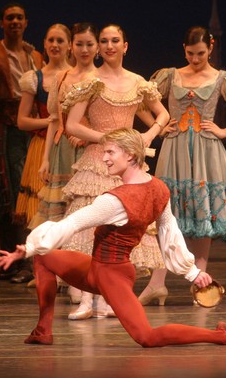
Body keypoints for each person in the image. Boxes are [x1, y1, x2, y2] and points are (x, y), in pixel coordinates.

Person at [0, 128, 226, 348]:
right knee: (44, 258)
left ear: (130, 154)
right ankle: (43, 330)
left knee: (147, 337)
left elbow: (72, 223)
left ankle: (223, 335)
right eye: (104, 153)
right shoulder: (158, 187)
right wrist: (191, 272)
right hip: (98, 268)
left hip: (111, 276)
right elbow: (168, 230)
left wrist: (28, 247)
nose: (105, 159)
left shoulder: (114, 201)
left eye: (110, 152)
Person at [138, 26, 226, 306]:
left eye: (201, 53)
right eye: (191, 53)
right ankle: (157, 284)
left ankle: (200, 283)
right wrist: (157, 127)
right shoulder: (170, 75)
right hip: (174, 148)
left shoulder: (221, 79)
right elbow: (139, 102)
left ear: (212, 47)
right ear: (184, 49)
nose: (195, 59)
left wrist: (225, 131)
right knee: (165, 216)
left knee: (201, 213)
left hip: (206, 151)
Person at [61, 24, 169, 320]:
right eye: (104, 41)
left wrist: (147, 136)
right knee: (88, 228)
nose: (109, 45)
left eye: (115, 41)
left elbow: (163, 114)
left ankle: (110, 298)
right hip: (98, 160)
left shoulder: (138, 82)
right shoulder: (91, 81)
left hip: (129, 164)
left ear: (125, 45)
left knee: (123, 230)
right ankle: (86, 299)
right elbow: (72, 125)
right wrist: (106, 140)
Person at [0, 2, 44, 283]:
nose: (15, 22)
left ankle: (25, 262)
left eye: (19, 17)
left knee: (32, 191)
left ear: (26, 22)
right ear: (2, 23)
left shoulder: (35, 56)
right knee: (12, 192)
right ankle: (16, 262)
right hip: (6, 130)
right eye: (9, 18)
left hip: (33, 128)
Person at [33, 22, 98, 229]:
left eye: (89, 44)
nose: (84, 50)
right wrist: (45, 159)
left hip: (88, 150)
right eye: (79, 44)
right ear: (71, 45)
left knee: (83, 210)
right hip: (61, 151)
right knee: (57, 216)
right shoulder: (61, 78)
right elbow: (54, 121)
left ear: (97, 47)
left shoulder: (100, 78)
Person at [14, 24, 72, 231]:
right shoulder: (35, 78)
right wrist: (51, 122)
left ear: (70, 46)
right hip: (42, 146)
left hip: (72, 146)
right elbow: (22, 120)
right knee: (42, 207)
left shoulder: (76, 76)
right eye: (51, 40)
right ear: (44, 44)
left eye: (60, 41)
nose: (55, 45)